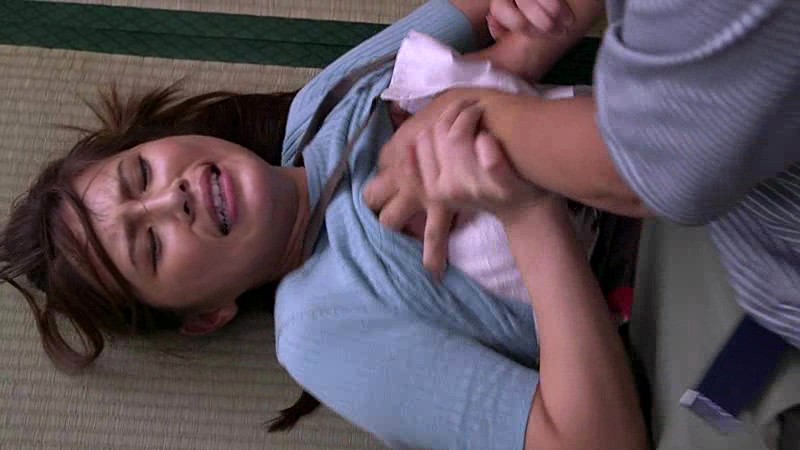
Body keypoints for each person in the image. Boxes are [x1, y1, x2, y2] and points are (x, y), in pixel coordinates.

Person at [0, 0, 648, 449]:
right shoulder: (317, 328)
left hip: (648, 119)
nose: (173, 199)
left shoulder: (323, 104)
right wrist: (526, 213)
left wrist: (536, 21)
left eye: (141, 174)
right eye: (150, 245)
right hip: (662, 270)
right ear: (206, 315)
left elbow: (517, 33)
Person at [365, 0, 800, 448]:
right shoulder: (335, 109)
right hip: (722, 246)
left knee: (716, 411)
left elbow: (643, 168)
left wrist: (480, 121)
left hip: (747, 270)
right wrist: (513, 60)